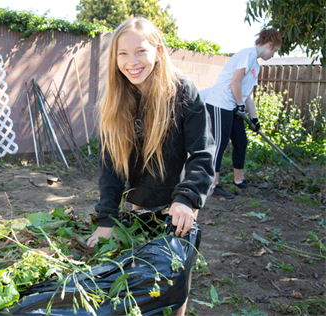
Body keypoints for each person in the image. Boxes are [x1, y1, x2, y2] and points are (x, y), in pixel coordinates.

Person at [86, 17, 215, 316]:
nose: (132, 61)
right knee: (140, 284)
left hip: (177, 209)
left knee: (174, 281)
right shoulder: (116, 100)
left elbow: (202, 154)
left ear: (158, 50)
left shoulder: (183, 92)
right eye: (123, 53)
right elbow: (111, 166)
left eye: (140, 51)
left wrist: (187, 200)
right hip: (138, 208)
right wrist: (107, 218)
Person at [204, 28, 282, 199]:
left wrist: (254, 117)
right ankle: (213, 185)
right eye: (274, 50)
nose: (273, 54)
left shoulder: (256, 65)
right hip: (220, 102)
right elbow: (235, 82)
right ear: (269, 44)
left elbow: (248, 94)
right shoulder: (248, 54)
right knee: (219, 144)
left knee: (241, 142)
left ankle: (238, 182)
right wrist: (239, 105)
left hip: (233, 106)